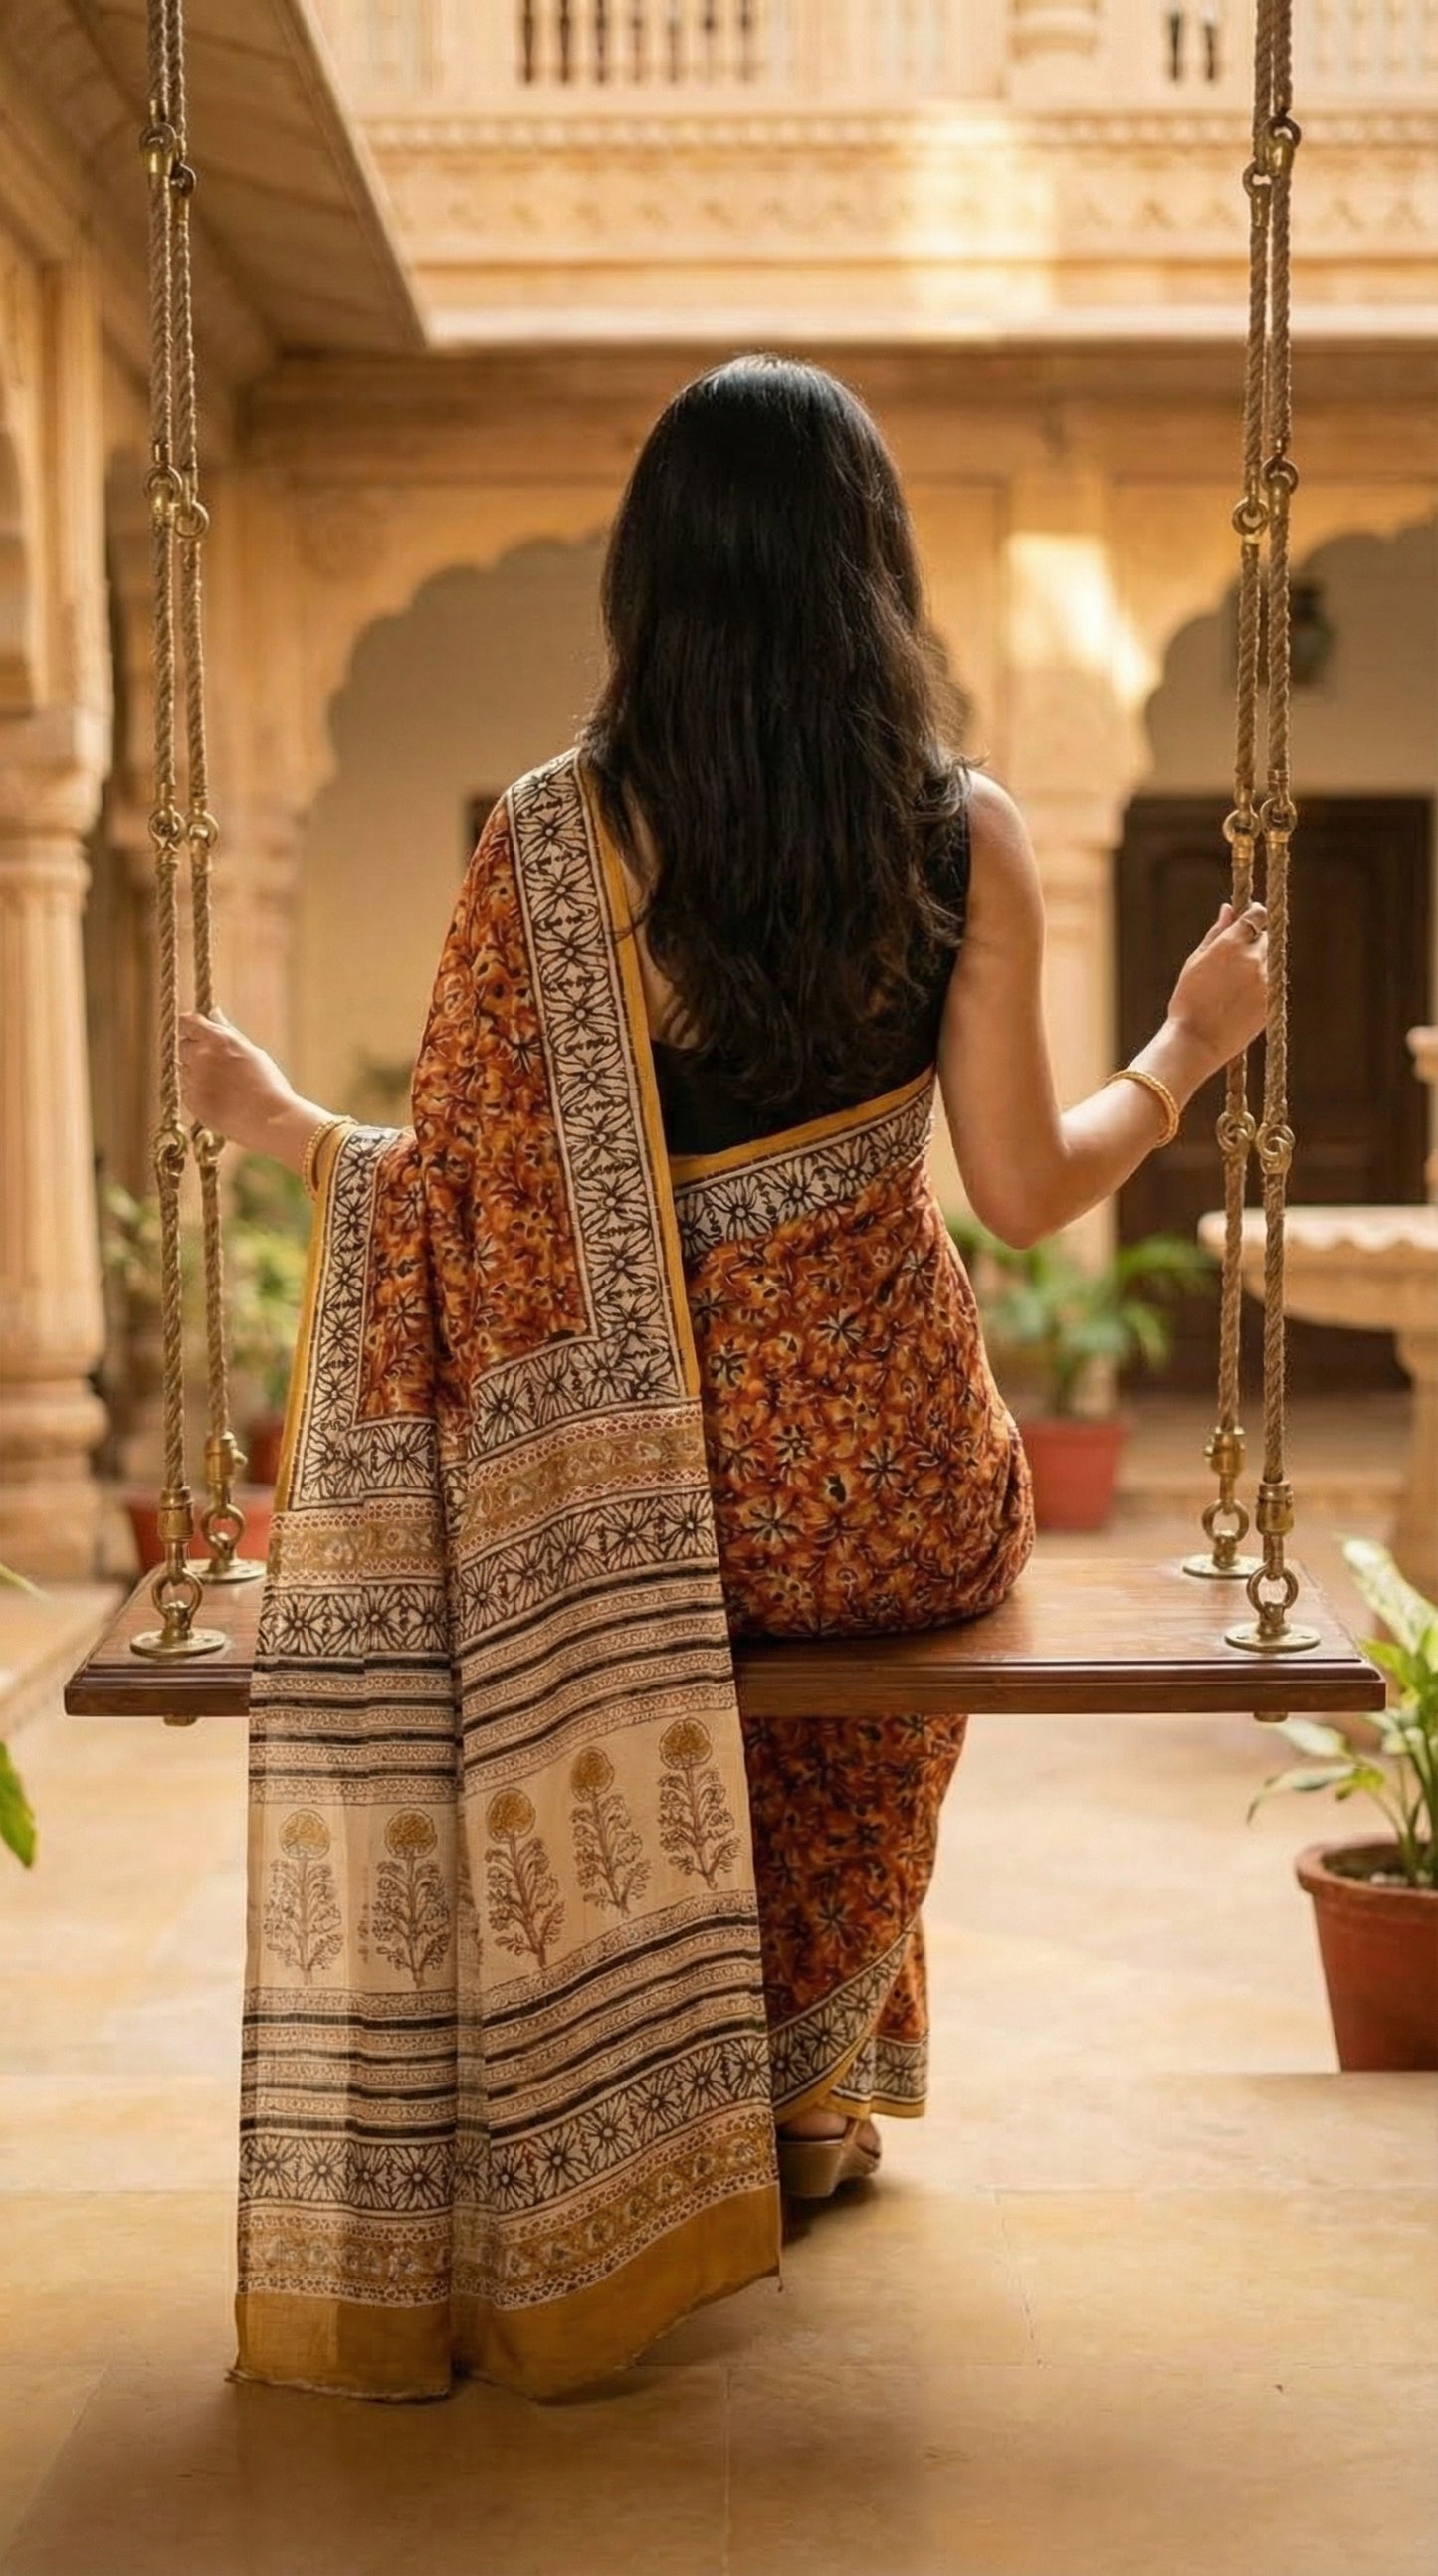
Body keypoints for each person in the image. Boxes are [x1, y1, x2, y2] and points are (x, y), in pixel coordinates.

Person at [180, 356, 1268, 2403]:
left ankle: (710, 2116)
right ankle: (801, 2092)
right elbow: (1029, 1192)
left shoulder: (542, 846)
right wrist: (1193, 1045)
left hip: (627, 1506)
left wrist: (295, 1130)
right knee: (879, 1662)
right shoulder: (961, 829)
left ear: (647, 579)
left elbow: (484, 1204)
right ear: (873, 572)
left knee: (684, 1655)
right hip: (891, 1497)